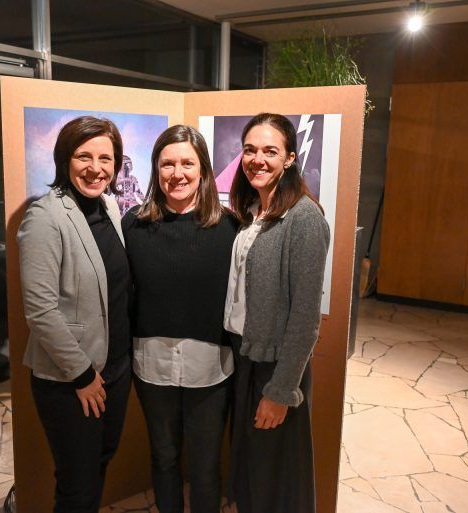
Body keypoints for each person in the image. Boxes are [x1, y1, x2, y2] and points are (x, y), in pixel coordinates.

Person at [17, 116, 133, 513]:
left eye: (106, 158)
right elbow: (40, 309)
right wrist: (82, 375)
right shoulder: (44, 218)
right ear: (65, 158)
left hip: (114, 369)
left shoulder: (110, 207)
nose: (95, 168)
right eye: (84, 155)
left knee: (99, 463)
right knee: (76, 486)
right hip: (72, 380)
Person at [122, 125, 238, 513]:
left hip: (211, 369)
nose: (178, 173)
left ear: (203, 170)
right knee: (164, 459)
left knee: (205, 468)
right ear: (156, 170)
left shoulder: (231, 228)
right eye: (167, 164)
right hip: (151, 366)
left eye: (187, 163)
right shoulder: (133, 226)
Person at [224, 113, 331, 513]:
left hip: (275, 367)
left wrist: (282, 390)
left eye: (270, 151)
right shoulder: (253, 211)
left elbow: (306, 318)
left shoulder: (303, 218)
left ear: (289, 158)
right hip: (246, 356)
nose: (258, 159)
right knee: (253, 470)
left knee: (278, 479)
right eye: (250, 150)